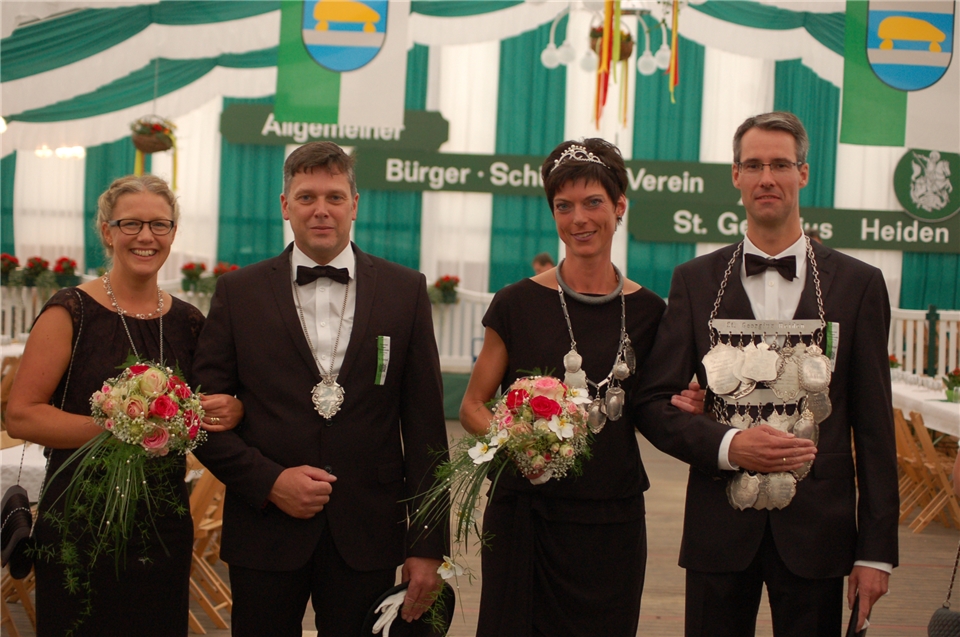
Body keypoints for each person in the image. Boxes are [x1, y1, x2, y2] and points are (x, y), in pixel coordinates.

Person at [633, 112, 899, 636]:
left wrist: (876, 552)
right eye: (753, 165)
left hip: (819, 534)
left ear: (803, 173)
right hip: (718, 525)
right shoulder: (695, 280)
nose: (766, 178)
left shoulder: (860, 284)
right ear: (735, 176)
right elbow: (652, 402)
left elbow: (873, 431)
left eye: (780, 164)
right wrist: (729, 444)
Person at [191, 141, 448, 637]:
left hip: (368, 532)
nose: (321, 209)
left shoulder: (405, 290)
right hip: (265, 529)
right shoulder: (237, 293)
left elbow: (425, 430)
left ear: (355, 204)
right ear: (285, 206)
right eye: (306, 197)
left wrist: (426, 545)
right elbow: (201, 421)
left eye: (334, 196)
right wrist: (269, 481)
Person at [461, 138, 703, 637]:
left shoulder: (652, 313)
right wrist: (518, 446)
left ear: (619, 208)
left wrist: (690, 404)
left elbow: (659, 406)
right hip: (525, 513)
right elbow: (472, 406)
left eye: (593, 202)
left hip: (611, 518)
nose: (579, 219)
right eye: (564, 206)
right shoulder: (516, 303)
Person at [6, 175, 242, 636]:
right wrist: (123, 429)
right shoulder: (69, 310)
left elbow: (205, 408)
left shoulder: (189, 322)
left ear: (173, 233)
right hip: (78, 519)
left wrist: (233, 409)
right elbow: (20, 415)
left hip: (162, 524)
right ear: (107, 231)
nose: (146, 237)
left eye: (160, 225)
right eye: (131, 224)